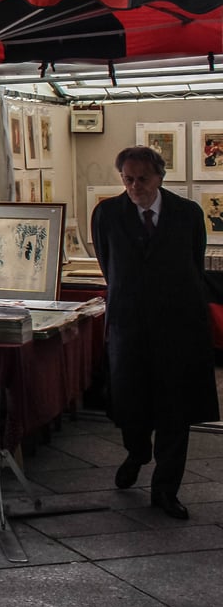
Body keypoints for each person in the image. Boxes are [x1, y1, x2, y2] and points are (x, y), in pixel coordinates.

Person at [91, 145, 219, 521]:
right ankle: (137, 451)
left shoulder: (187, 214)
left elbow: (194, 263)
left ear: (159, 176)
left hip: (178, 327)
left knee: (175, 412)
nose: (134, 187)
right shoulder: (108, 214)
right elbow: (107, 265)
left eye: (142, 179)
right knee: (129, 404)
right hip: (129, 326)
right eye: (127, 180)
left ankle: (166, 489)